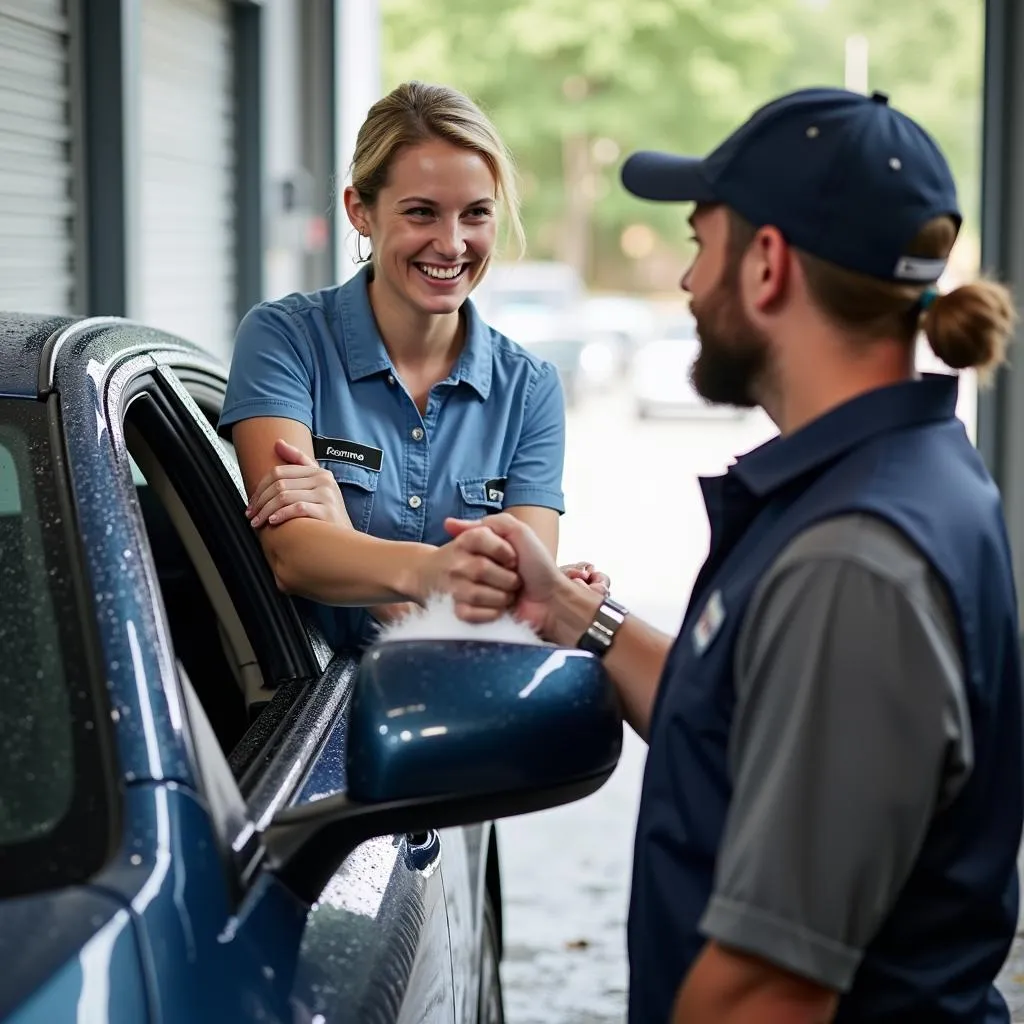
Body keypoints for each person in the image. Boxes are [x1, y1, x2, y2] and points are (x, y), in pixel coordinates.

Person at [446, 88, 1024, 1023]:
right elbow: (753, 717)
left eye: (697, 242)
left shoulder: (855, 562)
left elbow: (766, 992)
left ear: (765, 265)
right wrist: (569, 611)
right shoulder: (890, 478)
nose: (684, 282)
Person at [219, 80, 608, 653]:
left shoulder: (530, 390)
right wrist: (438, 574)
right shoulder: (285, 340)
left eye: (475, 214)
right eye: (422, 213)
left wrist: (349, 542)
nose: (451, 245)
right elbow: (293, 555)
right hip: (309, 717)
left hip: (455, 718)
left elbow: (513, 612)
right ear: (361, 211)